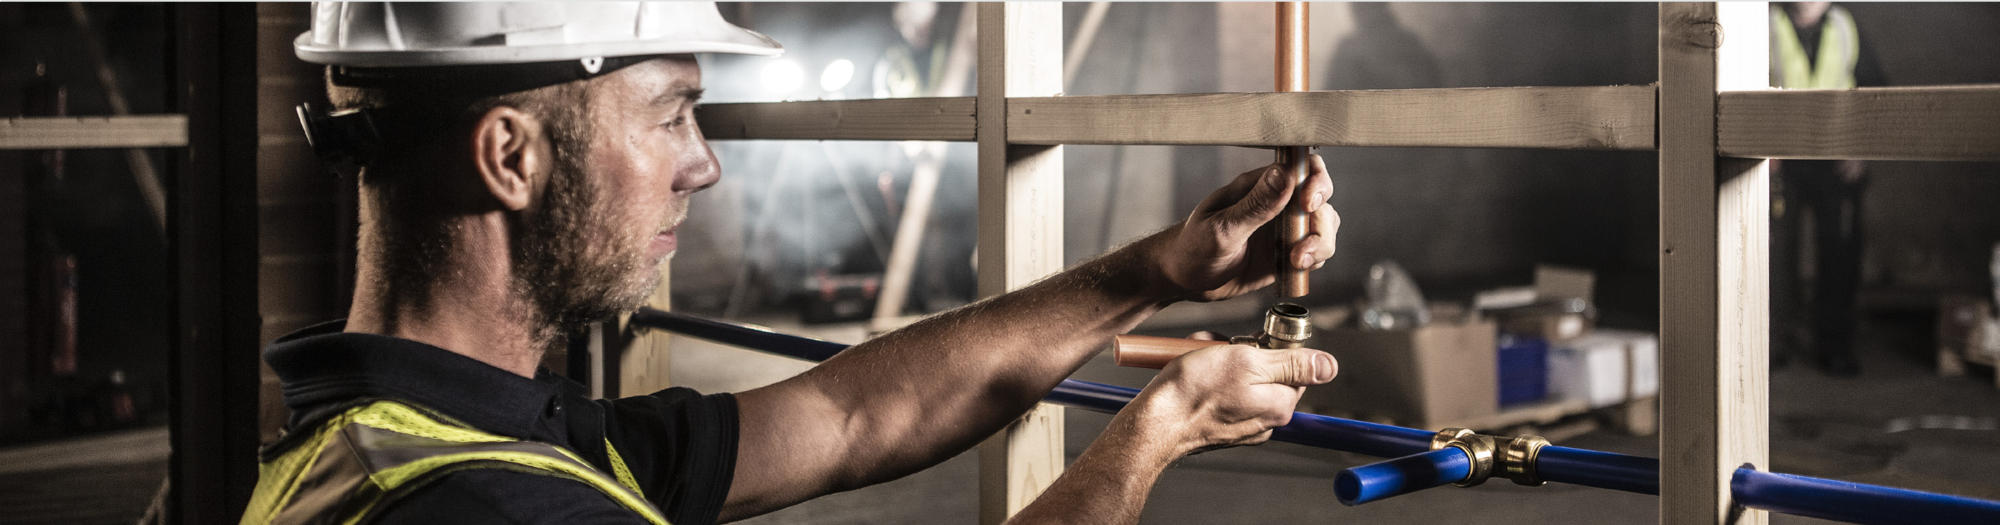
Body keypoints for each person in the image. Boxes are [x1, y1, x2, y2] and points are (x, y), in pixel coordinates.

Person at [243, 3, 1343, 524]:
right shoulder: (494, 515)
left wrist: (1159, 268)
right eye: (671, 115)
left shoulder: (415, 434)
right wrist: (1157, 431)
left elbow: (851, 416)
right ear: (510, 155)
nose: (704, 165)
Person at [1769, 2, 1881, 376]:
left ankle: (1834, 346)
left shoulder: (1846, 27)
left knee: (1839, 256)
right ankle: (1770, 343)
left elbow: (1875, 89)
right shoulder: (1765, 24)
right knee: (1769, 258)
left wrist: (1861, 149)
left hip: (1834, 162)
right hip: (1780, 161)